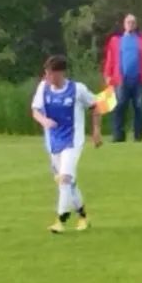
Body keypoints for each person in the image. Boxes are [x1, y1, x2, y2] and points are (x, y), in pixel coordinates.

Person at [30, 55, 103, 232]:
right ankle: (83, 217)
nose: (47, 76)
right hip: (53, 141)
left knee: (65, 178)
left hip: (72, 141)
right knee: (68, 182)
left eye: (50, 73)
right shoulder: (43, 88)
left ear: (60, 73)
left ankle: (61, 219)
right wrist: (44, 120)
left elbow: (95, 105)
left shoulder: (77, 89)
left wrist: (96, 131)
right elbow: (35, 110)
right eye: (46, 73)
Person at [101, 14, 142, 144]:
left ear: (136, 24)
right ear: (124, 24)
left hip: (139, 79)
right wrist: (107, 75)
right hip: (121, 79)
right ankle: (118, 135)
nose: (130, 25)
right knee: (119, 105)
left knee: (139, 106)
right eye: (128, 22)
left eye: (133, 22)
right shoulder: (116, 41)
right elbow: (110, 59)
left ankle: (138, 136)